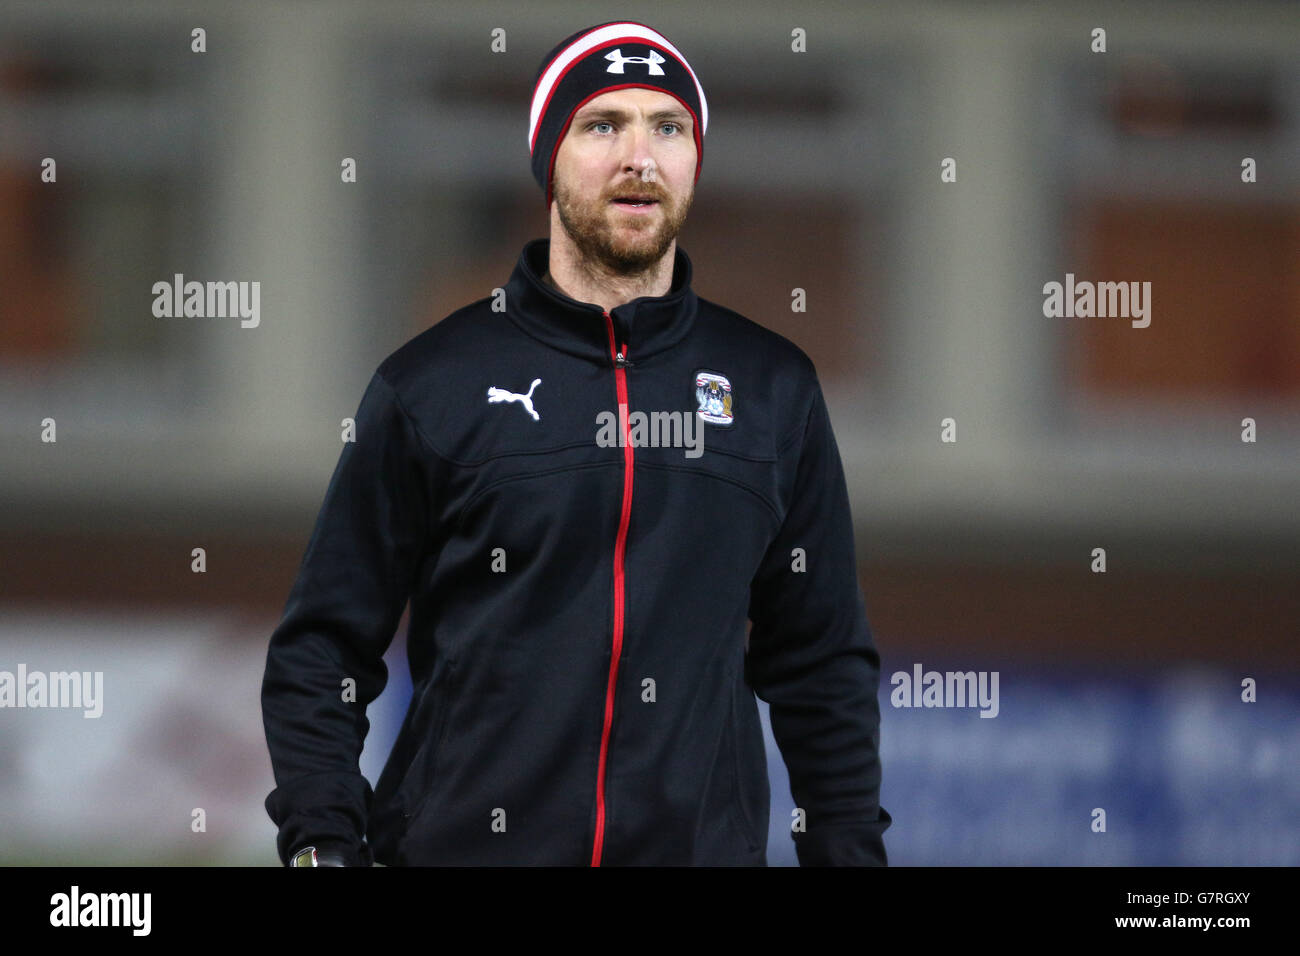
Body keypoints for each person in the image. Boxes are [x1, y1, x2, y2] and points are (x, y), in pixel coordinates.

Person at [261, 19, 891, 867]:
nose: (641, 157)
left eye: (668, 128)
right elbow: (324, 645)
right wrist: (321, 837)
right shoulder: (433, 384)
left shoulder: (774, 390)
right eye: (604, 125)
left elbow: (821, 665)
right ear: (549, 158)